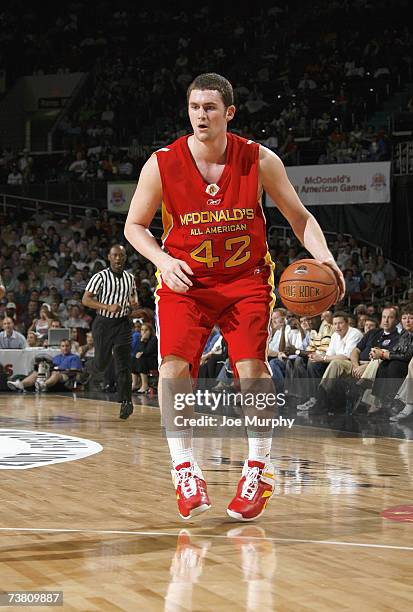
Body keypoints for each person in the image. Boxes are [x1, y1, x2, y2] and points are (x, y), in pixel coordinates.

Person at [124, 72, 345, 521]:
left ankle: (258, 470)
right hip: (186, 282)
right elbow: (134, 227)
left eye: (209, 108)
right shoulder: (161, 163)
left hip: (244, 281)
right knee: (172, 368)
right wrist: (163, 262)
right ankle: (184, 467)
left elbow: (299, 218)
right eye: (193, 107)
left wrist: (325, 258)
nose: (200, 115)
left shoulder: (260, 160)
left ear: (229, 113)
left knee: (251, 370)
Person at [82, 244, 139, 420]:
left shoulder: (130, 278)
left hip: (122, 323)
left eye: (121, 255)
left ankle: (126, 402)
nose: (118, 258)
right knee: (101, 363)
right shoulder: (100, 277)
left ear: (125, 258)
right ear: (109, 257)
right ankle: (88, 367)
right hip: (103, 323)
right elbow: (85, 299)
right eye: (114, 255)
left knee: (124, 363)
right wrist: (107, 306)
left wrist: (134, 303)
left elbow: (133, 296)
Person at [7, 339, 83, 392]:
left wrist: (60, 371)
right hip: (51, 373)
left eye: (67, 346)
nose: (65, 348)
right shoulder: (57, 357)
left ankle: (43, 385)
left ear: (70, 347)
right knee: (37, 372)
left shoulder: (74, 357)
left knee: (55, 373)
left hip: (65, 376)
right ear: (60, 347)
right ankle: (20, 384)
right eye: (63, 346)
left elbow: (74, 371)